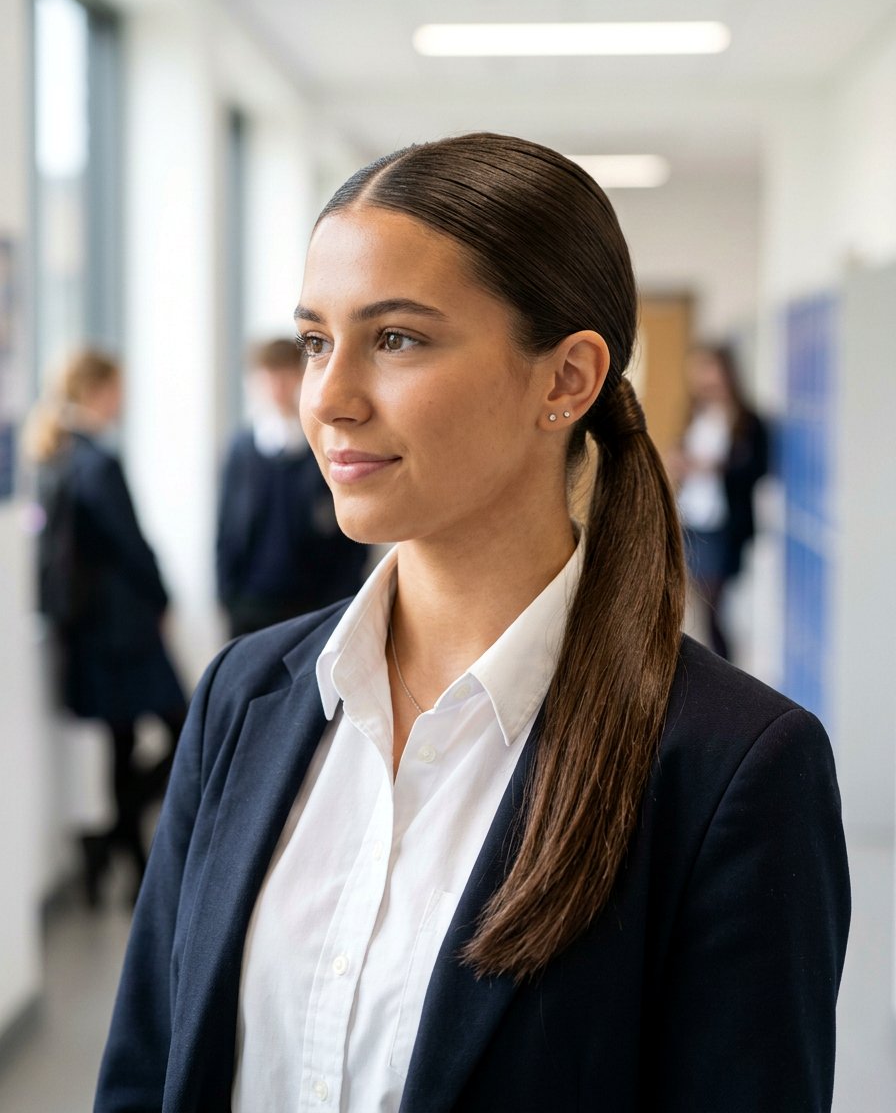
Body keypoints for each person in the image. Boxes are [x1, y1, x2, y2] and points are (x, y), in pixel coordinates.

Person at [96, 135, 849, 1112]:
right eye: (317, 340)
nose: (328, 397)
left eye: (396, 338)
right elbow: (147, 1069)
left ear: (565, 380)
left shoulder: (730, 769)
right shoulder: (245, 695)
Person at [25, 348, 185, 904]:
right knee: (187, 730)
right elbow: (131, 545)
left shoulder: (55, 454)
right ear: (97, 390)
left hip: (87, 631)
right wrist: (164, 597)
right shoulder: (97, 462)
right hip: (125, 631)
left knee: (120, 744)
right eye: (117, 388)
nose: (124, 399)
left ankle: (118, 858)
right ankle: (117, 841)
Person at [216, 337, 368, 636]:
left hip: (314, 605)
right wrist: (226, 596)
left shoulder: (323, 446)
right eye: (267, 378)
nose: (276, 387)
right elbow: (226, 528)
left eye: (283, 376)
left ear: (299, 377)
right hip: (252, 603)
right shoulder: (242, 449)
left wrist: (341, 600)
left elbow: (347, 532)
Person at [667, 343, 770, 659]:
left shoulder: (748, 420)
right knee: (697, 603)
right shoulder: (695, 415)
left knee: (713, 605)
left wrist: (716, 468)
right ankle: (715, 671)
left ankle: (727, 675)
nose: (705, 378)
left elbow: (757, 469)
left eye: (711, 369)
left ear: (727, 373)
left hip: (724, 525)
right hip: (692, 519)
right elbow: (682, 454)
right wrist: (679, 463)